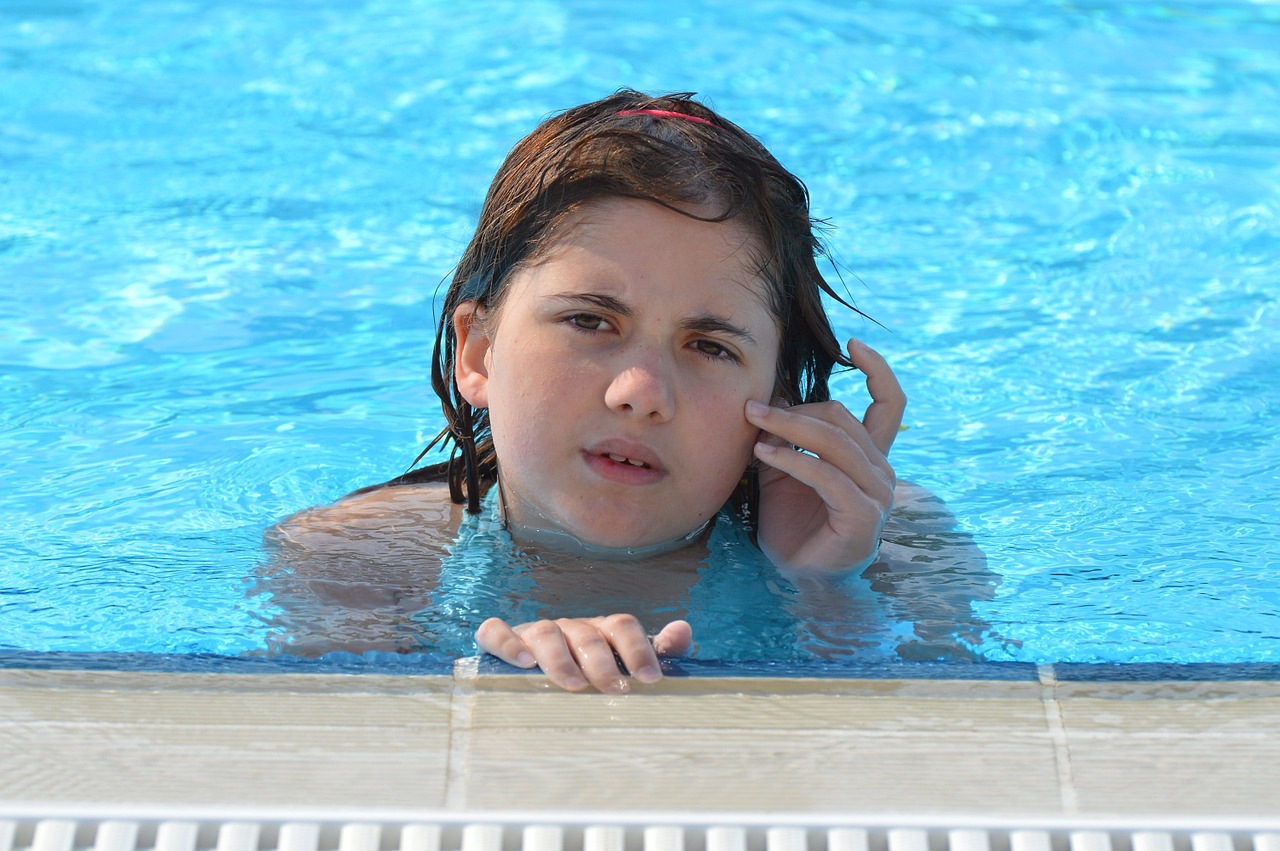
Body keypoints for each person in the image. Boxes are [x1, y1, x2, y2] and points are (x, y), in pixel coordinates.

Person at [270, 89, 921, 692]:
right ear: (479, 352)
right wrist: (501, 696)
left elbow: (938, 774)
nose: (641, 393)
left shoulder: (894, 552)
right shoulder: (359, 565)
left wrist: (823, 593)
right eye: (590, 321)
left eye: (710, 346)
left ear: (777, 403)